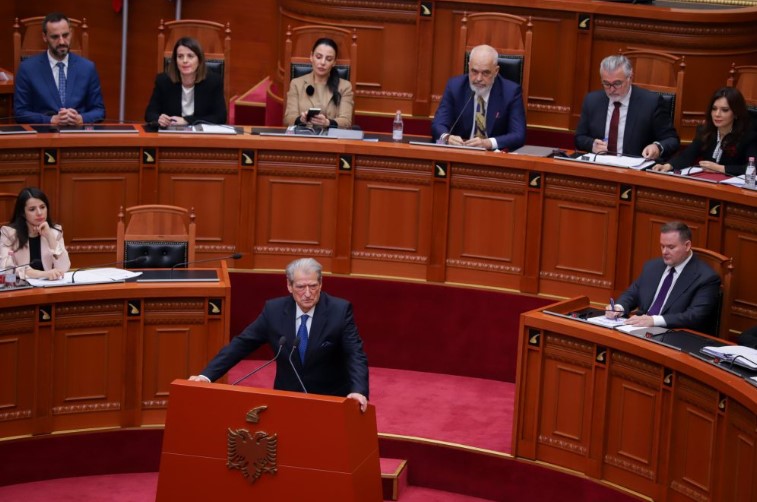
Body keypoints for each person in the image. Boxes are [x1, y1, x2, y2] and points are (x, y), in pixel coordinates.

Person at [189, 258, 369, 412]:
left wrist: (358, 391)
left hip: (329, 399)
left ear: (321, 284)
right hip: (287, 397)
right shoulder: (274, 311)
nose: (307, 293)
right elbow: (242, 344)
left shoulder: (339, 311)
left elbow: (355, 354)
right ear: (289, 286)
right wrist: (206, 376)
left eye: (313, 286)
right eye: (301, 287)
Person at [605, 222, 720, 335]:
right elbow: (632, 293)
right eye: (662, 246)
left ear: (687, 246)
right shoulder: (652, 266)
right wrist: (618, 307)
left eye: (671, 247)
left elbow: (695, 316)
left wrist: (654, 321)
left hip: (674, 335)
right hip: (639, 329)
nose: (664, 252)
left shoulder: (706, 277)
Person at [575, 54, 679, 160]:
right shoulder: (592, 100)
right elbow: (579, 138)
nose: (612, 89)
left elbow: (672, 140)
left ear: (630, 78)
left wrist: (657, 146)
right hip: (599, 164)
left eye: (617, 83)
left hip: (635, 166)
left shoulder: (651, 103)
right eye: (606, 84)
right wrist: (592, 145)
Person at [13, 12, 105, 125]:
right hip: (44, 133)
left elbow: (99, 111)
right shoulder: (27, 69)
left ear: (71, 33)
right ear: (44, 37)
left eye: (65, 35)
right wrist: (50, 120)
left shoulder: (87, 68)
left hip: (77, 132)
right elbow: (20, 113)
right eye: (55, 37)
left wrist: (80, 118)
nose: (61, 42)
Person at [431, 44, 526, 151]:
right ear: (469, 66)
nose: (478, 78)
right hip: (461, 151)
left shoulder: (511, 92)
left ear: (496, 71)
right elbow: (438, 124)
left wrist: (488, 143)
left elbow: (518, 135)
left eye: (485, 73)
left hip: (493, 155)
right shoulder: (455, 87)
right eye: (474, 71)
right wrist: (447, 138)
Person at [653, 87, 757, 175]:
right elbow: (687, 155)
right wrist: (667, 166)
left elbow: (753, 168)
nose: (717, 114)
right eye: (714, 109)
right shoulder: (705, 131)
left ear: (736, 113)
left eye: (724, 110)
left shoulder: (748, 136)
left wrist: (720, 168)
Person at [144, 37, 227, 128]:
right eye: (180, 56)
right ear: (175, 61)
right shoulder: (163, 81)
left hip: (201, 134)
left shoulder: (213, 81)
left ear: (199, 60)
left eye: (190, 56)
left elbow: (220, 117)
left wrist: (187, 120)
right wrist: (159, 119)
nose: (185, 61)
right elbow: (150, 114)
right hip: (171, 133)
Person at [0, 187, 70, 280]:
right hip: (21, 286)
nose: (39, 213)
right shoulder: (9, 234)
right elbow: (6, 271)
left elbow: (64, 268)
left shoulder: (55, 232)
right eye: (32, 209)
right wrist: (42, 274)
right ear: (23, 213)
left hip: (48, 285)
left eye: (42, 207)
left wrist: (50, 237)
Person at [283, 38, 354, 129]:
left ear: (334, 62)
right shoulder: (296, 84)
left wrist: (327, 122)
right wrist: (301, 120)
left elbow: (346, 121)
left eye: (329, 59)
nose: (322, 62)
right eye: (319, 57)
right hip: (304, 134)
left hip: (331, 136)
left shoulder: (345, 86)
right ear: (311, 56)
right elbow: (288, 118)